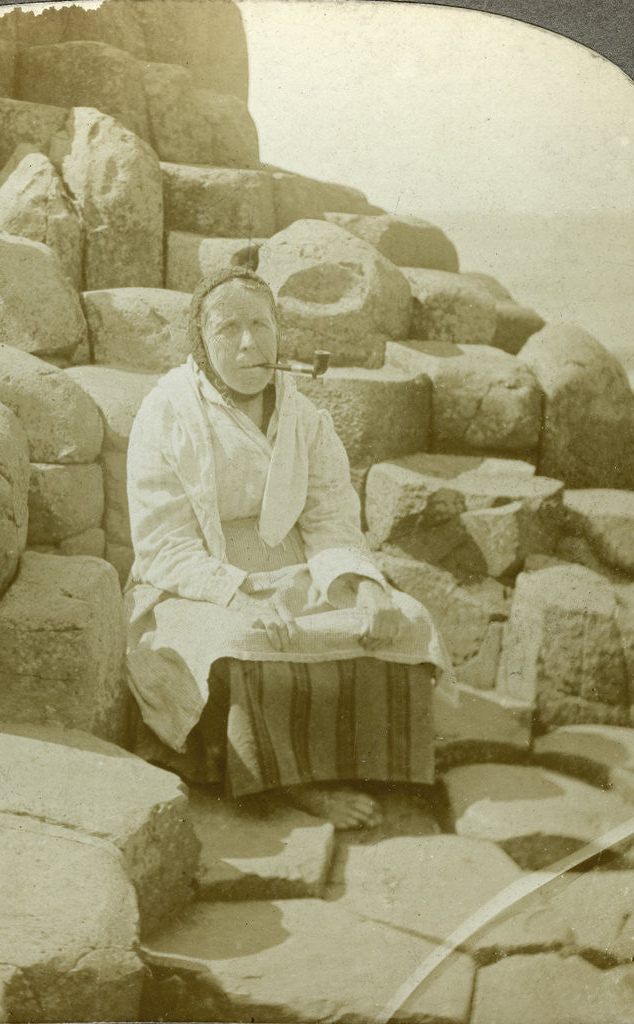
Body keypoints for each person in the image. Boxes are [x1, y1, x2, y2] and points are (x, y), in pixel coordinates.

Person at [124, 266, 451, 829]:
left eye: (261, 324)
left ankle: (364, 764)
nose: (249, 342)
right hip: (195, 585)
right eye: (228, 328)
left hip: (297, 574)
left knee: (407, 619)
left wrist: (368, 588)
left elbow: (331, 520)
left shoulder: (306, 417)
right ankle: (294, 787)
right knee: (244, 640)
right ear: (201, 342)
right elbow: (163, 545)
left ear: (278, 331)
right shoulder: (166, 413)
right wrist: (239, 594)